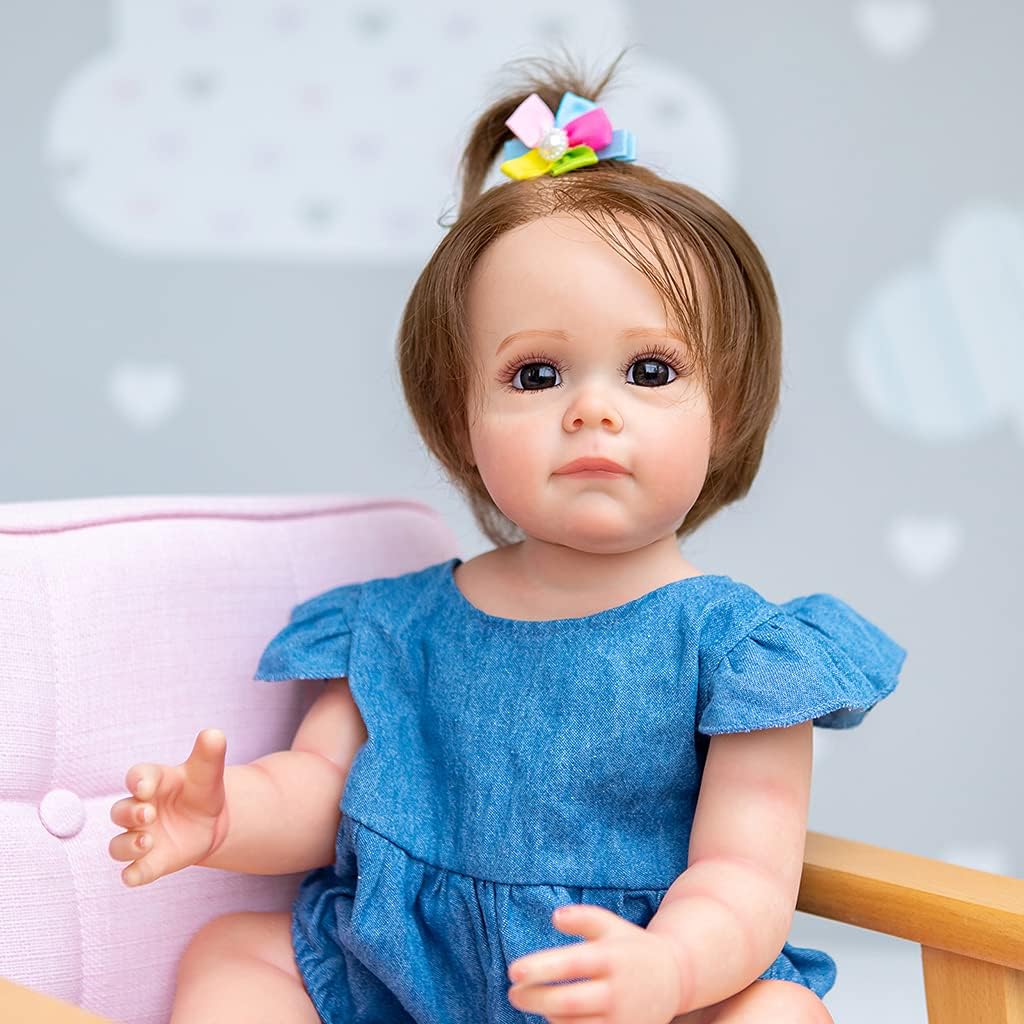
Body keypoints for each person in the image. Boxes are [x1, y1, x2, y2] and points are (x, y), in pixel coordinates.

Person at [108, 48, 906, 1024]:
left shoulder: (742, 658)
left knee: (779, 1015)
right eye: (536, 376)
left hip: (631, 990)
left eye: (650, 372)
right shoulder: (394, 626)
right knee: (235, 950)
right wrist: (226, 817)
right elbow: (318, 788)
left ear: (726, 412)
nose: (592, 412)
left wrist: (667, 968)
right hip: (398, 978)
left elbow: (743, 874)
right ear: (462, 422)